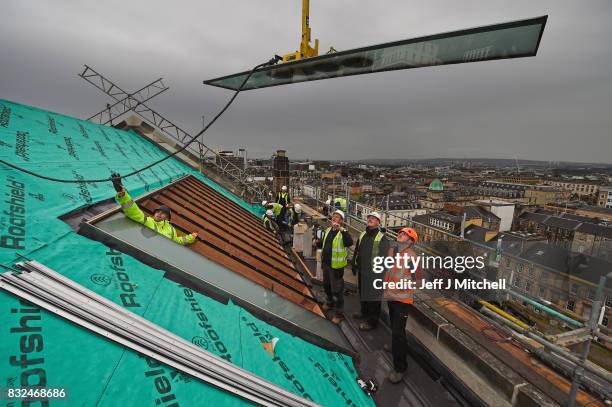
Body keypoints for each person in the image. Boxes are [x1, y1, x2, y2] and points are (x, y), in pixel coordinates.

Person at [111, 173, 198, 245]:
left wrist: (191, 237)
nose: (159, 214)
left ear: (167, 218)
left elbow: (178, 241)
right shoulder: (147, 221)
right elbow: (133, 211)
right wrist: (123, 195)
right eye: (158, 211)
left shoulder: (171, 230)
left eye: (163, 213)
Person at [384, 227, 422, 384]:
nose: (400, 234)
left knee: (398, 333)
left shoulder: (412, 257)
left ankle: (400, 368)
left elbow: (418, 279)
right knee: (395, 329)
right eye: (400, 233)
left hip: (402, 300)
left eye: (405, 234)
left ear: (411, 241)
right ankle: (396, 347)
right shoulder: (392, 251)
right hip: (391, 296)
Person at [351, 211, 389, 331]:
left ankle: (372, 322)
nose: (370, 219)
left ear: (378, 222)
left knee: (373, 298)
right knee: (363, 293)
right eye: (369, 218)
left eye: (373, 218)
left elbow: (384, 258)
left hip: (375, 273)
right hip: (363, 270)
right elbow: (357, 250)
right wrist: (354, 263)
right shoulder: (363, 234)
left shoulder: (382, 238)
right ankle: (364, 312)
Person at [314, 210, 353, 324]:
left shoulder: (343, 232)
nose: (334, 219)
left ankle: (339, 314)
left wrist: (341, 229)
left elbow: (349, 242)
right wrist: (317, 242)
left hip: (336, 267)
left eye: (337, 217)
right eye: (333, 217)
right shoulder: (328, 230)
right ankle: (329, 302)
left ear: (341, 221)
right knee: (326, 285)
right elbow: (325, 243)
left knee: (337, 290)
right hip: (326, 264)